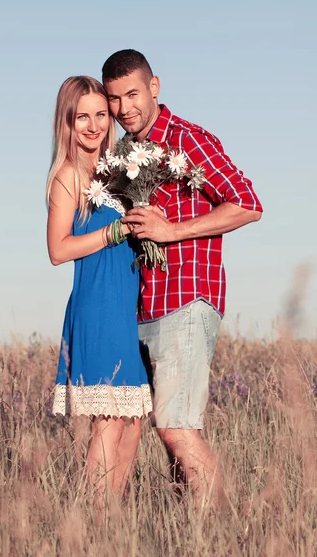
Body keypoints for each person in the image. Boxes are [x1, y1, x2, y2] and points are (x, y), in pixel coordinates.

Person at [101, 49, 263, 501]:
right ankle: (189, 536)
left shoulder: (188, 138)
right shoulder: (124, 153)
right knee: (161, 433)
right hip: (144, 304)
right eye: (114, 99)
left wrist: (171, 231)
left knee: (175, 427)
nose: (123, 108)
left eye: (132, 93)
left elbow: (248, 203)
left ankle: (230, 533)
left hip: (188, 299)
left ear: (154, 87)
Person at [47, 76, 152, 498]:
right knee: (109, 424)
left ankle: (111, 531)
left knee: (131, 427)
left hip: (128, 311)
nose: (93, 125)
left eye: (100, 115)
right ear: (67, 124)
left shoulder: (115, 175)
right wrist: (113, 233)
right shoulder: (68, 176)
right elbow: (57, 249)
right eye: (81, 117)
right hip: (99, 308)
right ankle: (88, 532)